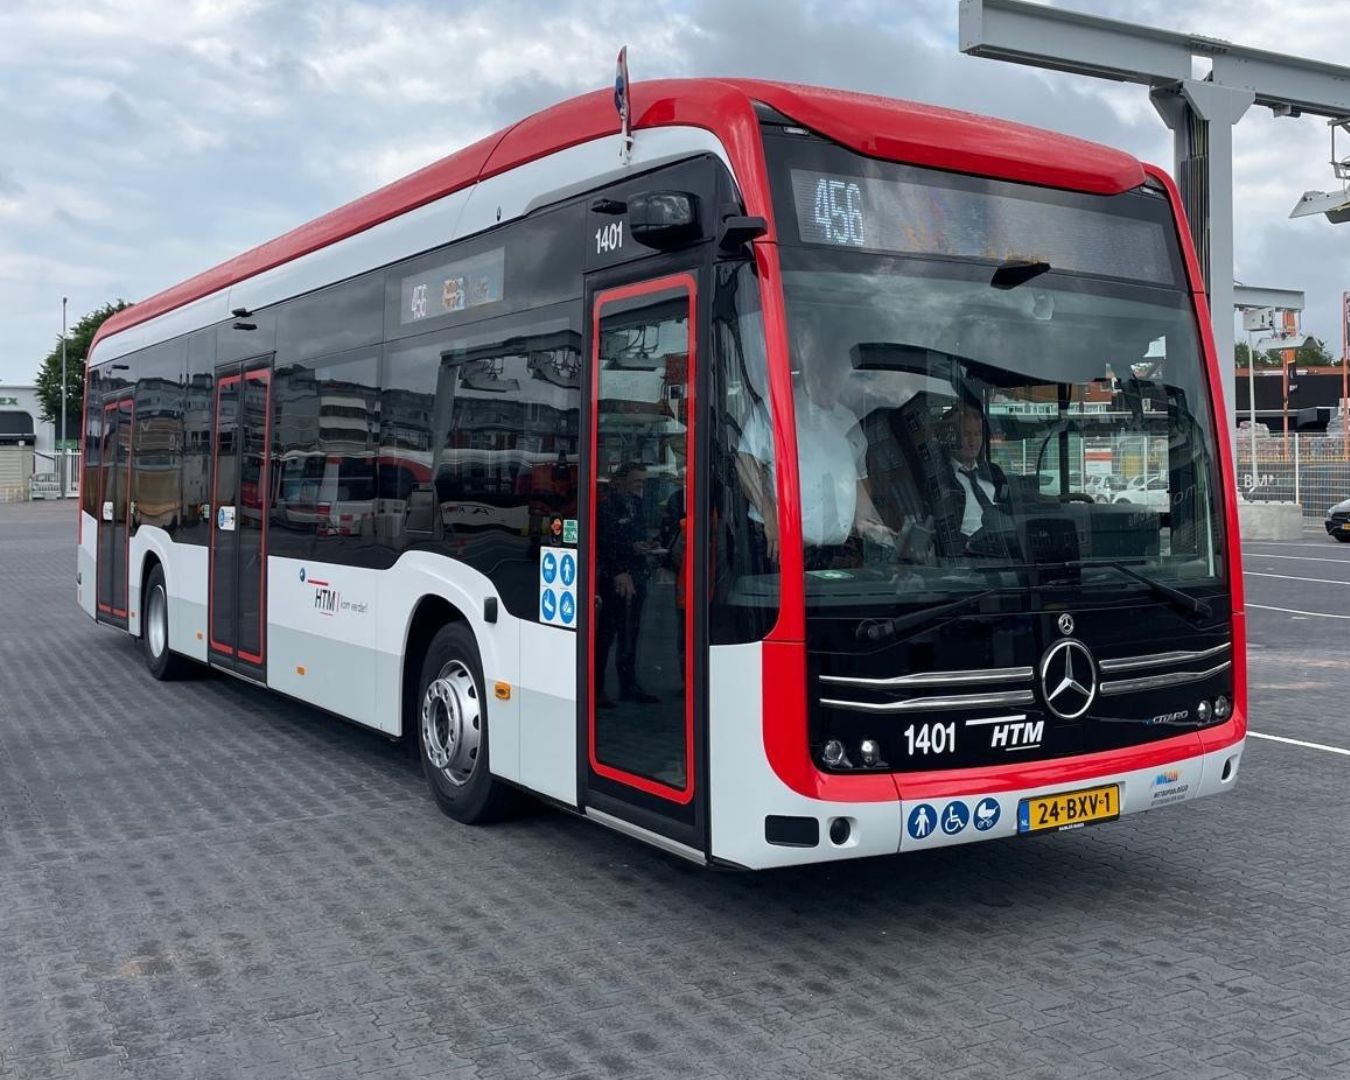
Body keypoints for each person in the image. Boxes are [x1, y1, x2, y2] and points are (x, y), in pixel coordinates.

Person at [736, 318, 894, 568]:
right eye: (823, 370)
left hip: (838, 551)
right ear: (809, 368)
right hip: (781, 546)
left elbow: (859, 480)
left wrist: (868, 522)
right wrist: (771, 517)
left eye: (837, 372)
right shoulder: (777, 409)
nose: (830, 378)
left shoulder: (848, 421)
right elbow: (746, 463)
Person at [594, 462, 659, 707]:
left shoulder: (637, 505)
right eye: (636, 481)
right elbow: (603, 541)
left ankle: (628, 684)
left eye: (643, 482)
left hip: (636, 572)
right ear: (621, 482)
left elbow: (637, 534)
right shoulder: (606, 507)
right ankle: (597, 687)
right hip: (615, 576)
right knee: (606, 633)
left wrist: (647, 544)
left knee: (630, 633)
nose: (640, 486)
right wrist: (618, 569)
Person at [939, 396, 1007, 543]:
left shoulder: (994, 472)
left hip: (1004, 548)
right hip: (967, 552)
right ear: (951, 437)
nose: (973, 442)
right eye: (966, 434)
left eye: (977, 434)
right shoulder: (942, 478)